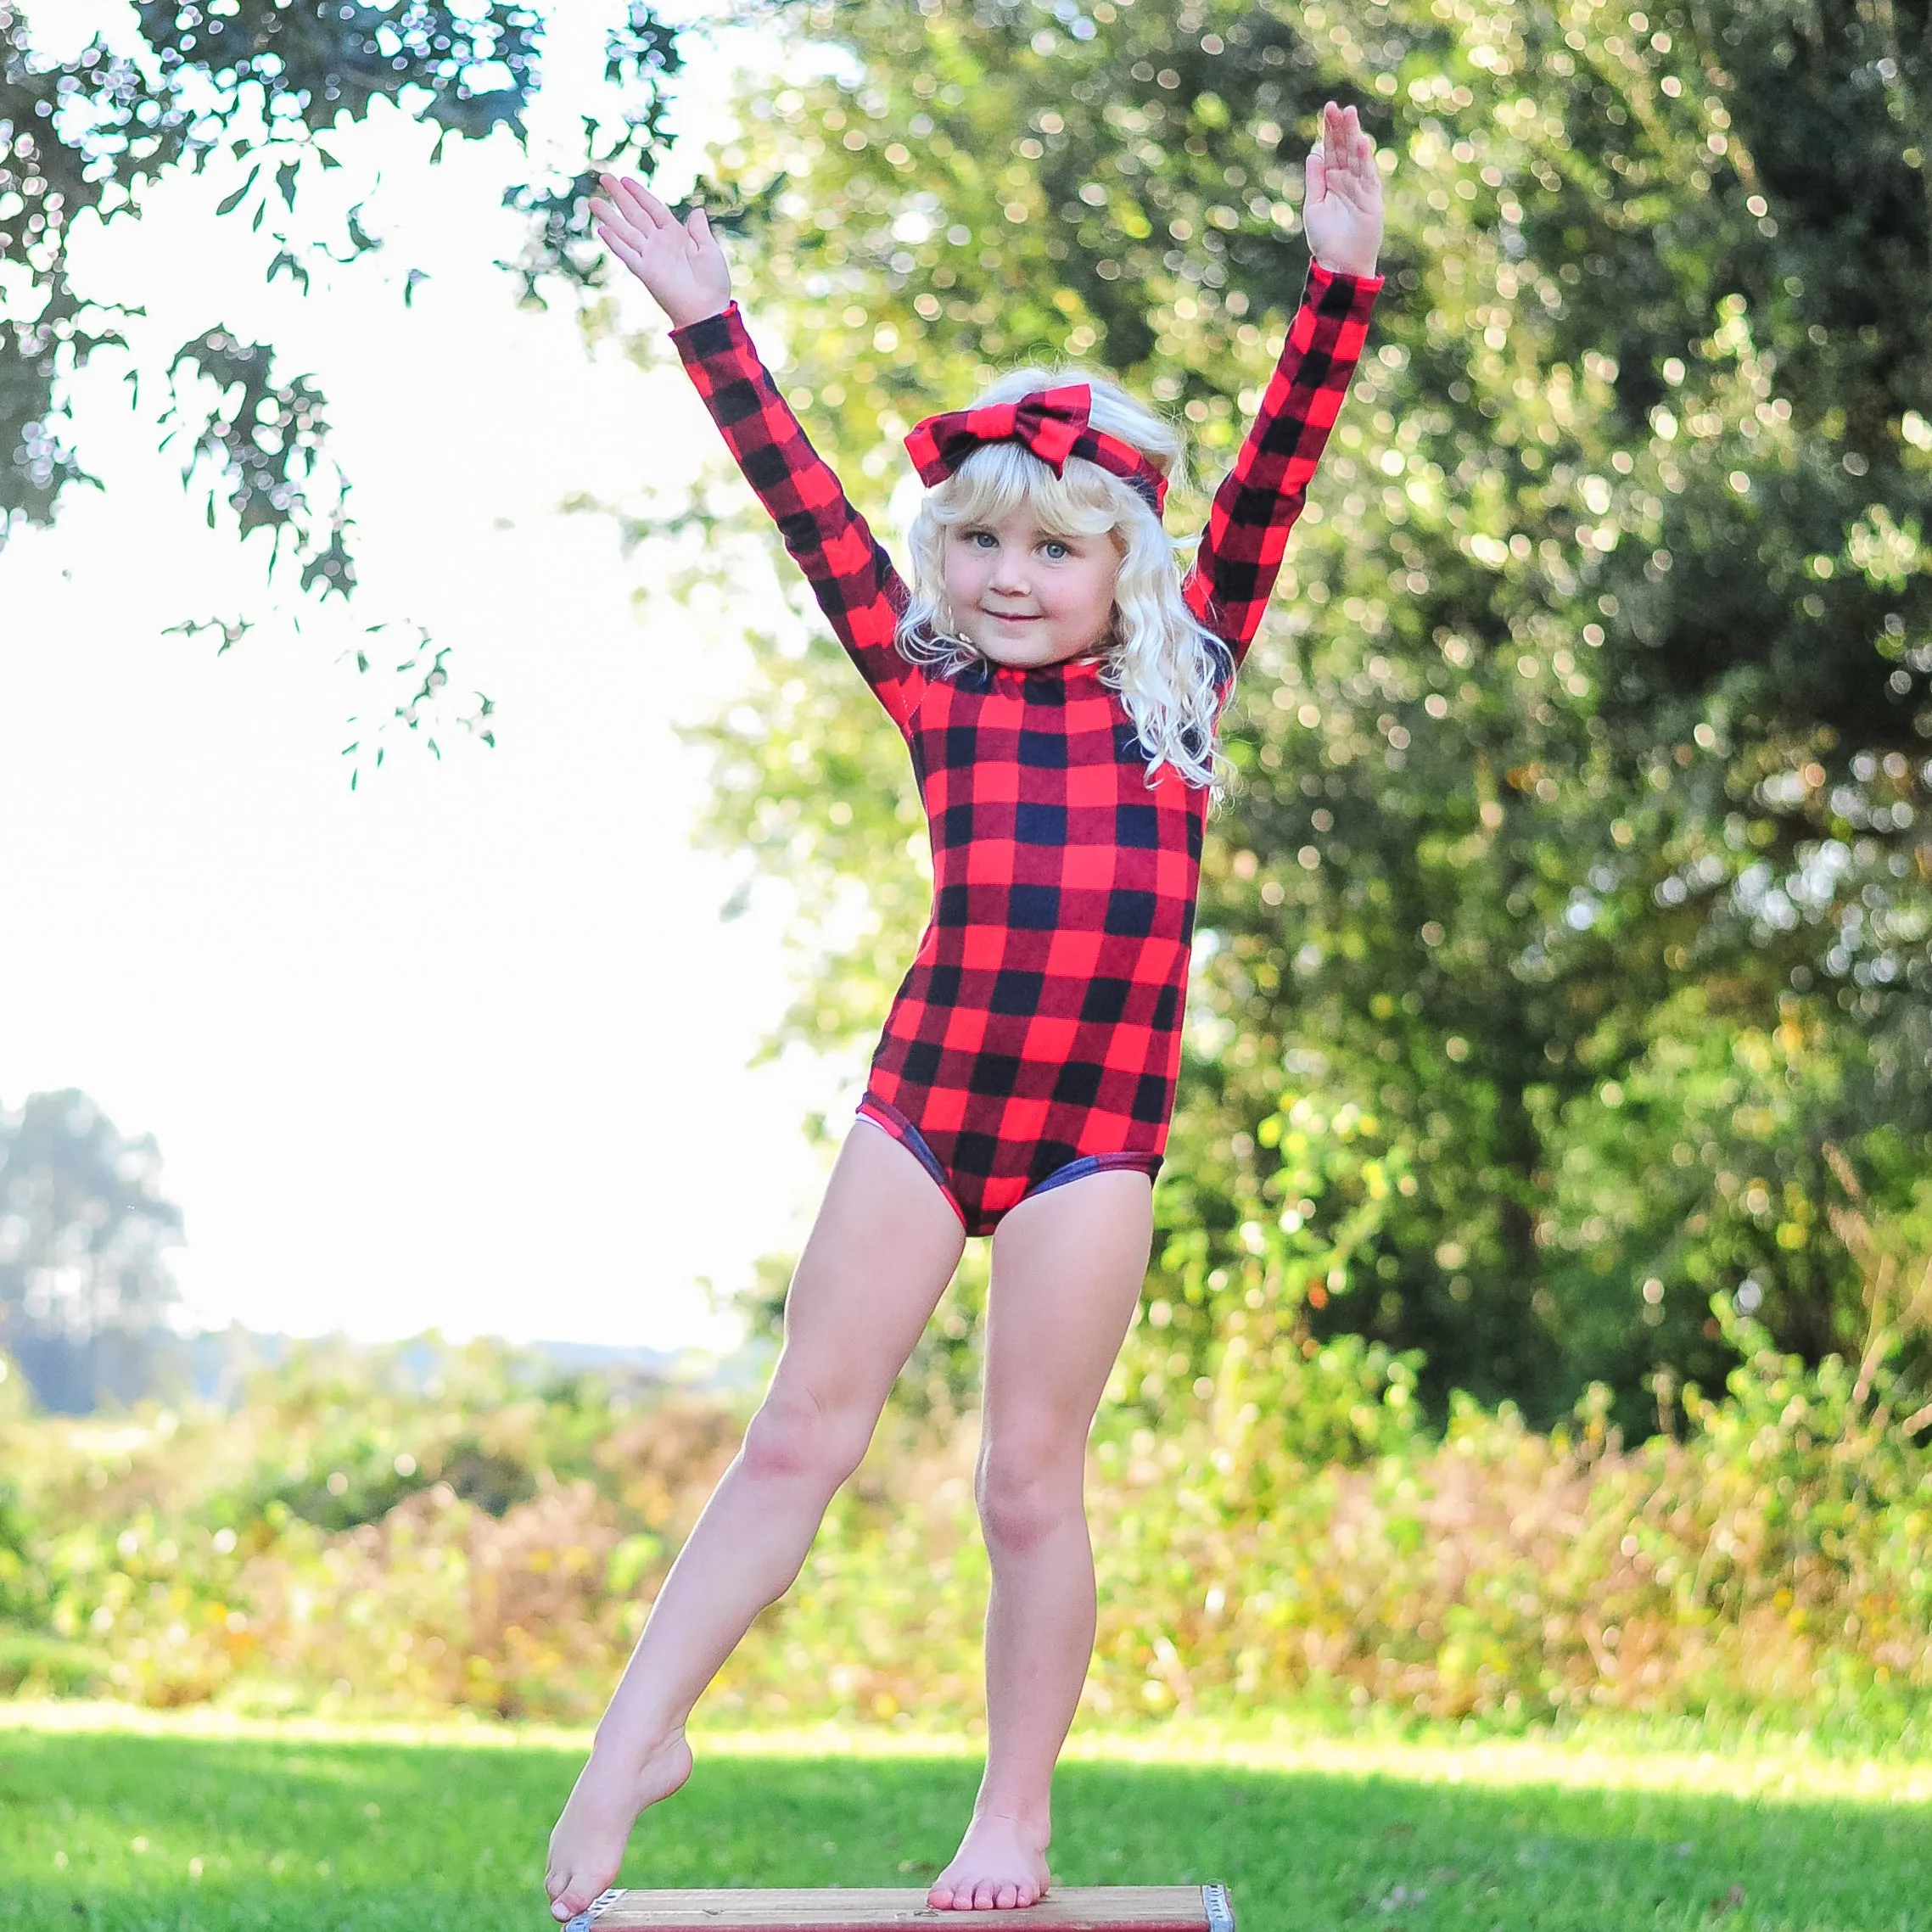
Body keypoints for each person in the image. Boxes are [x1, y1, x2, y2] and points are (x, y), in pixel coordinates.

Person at [546, 99, 1386, 1924]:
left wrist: (1334, 289)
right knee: (802, 1427)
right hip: (926, 1102)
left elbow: (1279, 463)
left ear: (1127, 566)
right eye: (979, 546)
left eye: (1053, 552)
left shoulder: (1194, 672)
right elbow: (802, 505)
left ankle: (1013, 1815)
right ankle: (634, 1734)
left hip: (1094, 1134)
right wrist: (711, 323)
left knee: (1025, 1476)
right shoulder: (928, 683)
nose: (1009, 580)